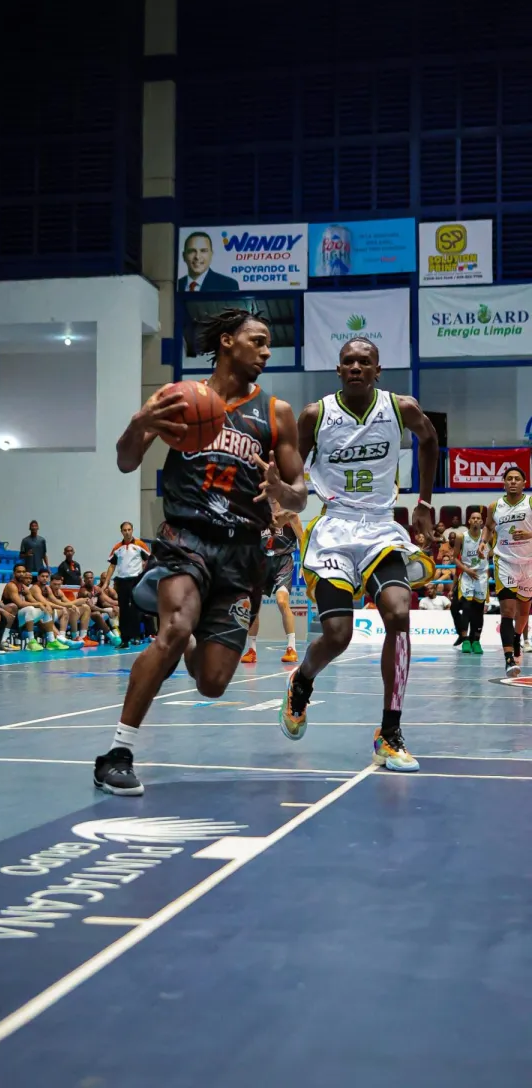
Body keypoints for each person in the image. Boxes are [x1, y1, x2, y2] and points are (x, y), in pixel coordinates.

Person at [93, 307, 307, 796]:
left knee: (211, 682)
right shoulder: (178, 398)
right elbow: (127, 460)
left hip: (242, 554)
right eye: (258, 340)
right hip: (185, 537)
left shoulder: (276, 414)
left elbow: (299, 493)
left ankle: (187, 634)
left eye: (269, 343)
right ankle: (118, 753)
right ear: (228, 342)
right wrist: (139, 422)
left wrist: (281, 488)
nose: (267, 351)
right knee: (173, 628)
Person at [280, 336, 438, 773]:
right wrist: (280, 502)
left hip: (380, 529)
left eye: (363, 361)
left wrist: (424, 500)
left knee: (398, 613)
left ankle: (389, 732)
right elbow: (292, 472)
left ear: (377, 370)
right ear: (338, 369)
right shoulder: (316, 415)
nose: (355, 367)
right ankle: (302, 681)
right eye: (348, 360)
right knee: (337, 635)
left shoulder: (400, 407)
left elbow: (429, 439)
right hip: (333, 528)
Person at [481, 466, 532, 678]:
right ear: (504, 482)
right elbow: (488, 526)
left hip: (529, 563)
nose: (513, 481)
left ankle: (518, 637)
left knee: (523, 613)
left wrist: (529, 533)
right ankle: (509, 658)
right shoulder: (495, 506)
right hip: (504, 561)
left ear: (524, 482)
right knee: (507, 612)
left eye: (517, 478)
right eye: (509, 478)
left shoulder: (530, 502)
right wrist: (484, 542)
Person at [242, 509, 303, 664]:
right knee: (253, 606)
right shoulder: (257, 515)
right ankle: (251, 650)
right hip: (262, 562)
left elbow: (303, 540)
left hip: (283, 561)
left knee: (282, 601)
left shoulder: (290, 515)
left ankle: (291, 648)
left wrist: (304, 562)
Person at [102, 523, 151, 648]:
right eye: (125, 530)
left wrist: (146, 576)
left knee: (136, 608)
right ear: (121, 532)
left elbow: (148, 560)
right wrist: (107, 582)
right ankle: (125, 639)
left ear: (132, 530)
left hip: (136, 580)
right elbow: (112, 565)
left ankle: (136, 636)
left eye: (129, 530)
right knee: (123, 610)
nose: (127, 532)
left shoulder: (140, 544)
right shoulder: (117, 547)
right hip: (122, 581)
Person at [1, 564, 62, 651]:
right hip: (11, 618)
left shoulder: (24, 588)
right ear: (14, 573)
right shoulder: (11, 585)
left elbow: (33, 601)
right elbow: (20, 604)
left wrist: (44, 605)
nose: (21, 574)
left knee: (45, 609)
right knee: (30, 608)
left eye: (23, 572)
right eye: (19, 572)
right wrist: (38, 604)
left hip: (21, 618)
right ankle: (31, 641)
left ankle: (51, 641)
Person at [453, 510, 488, 653]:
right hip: (467, 575)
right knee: (466, 608)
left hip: (481, 576)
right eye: (473, 518)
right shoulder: (461, 537)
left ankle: (476, 641)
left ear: (481, 522)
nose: (475, 520)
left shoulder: (486, 537)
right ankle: (465, 639)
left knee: (478, 610)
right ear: (469, 521)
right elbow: (455, 557)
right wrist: (466, 570)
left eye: (478, 518)